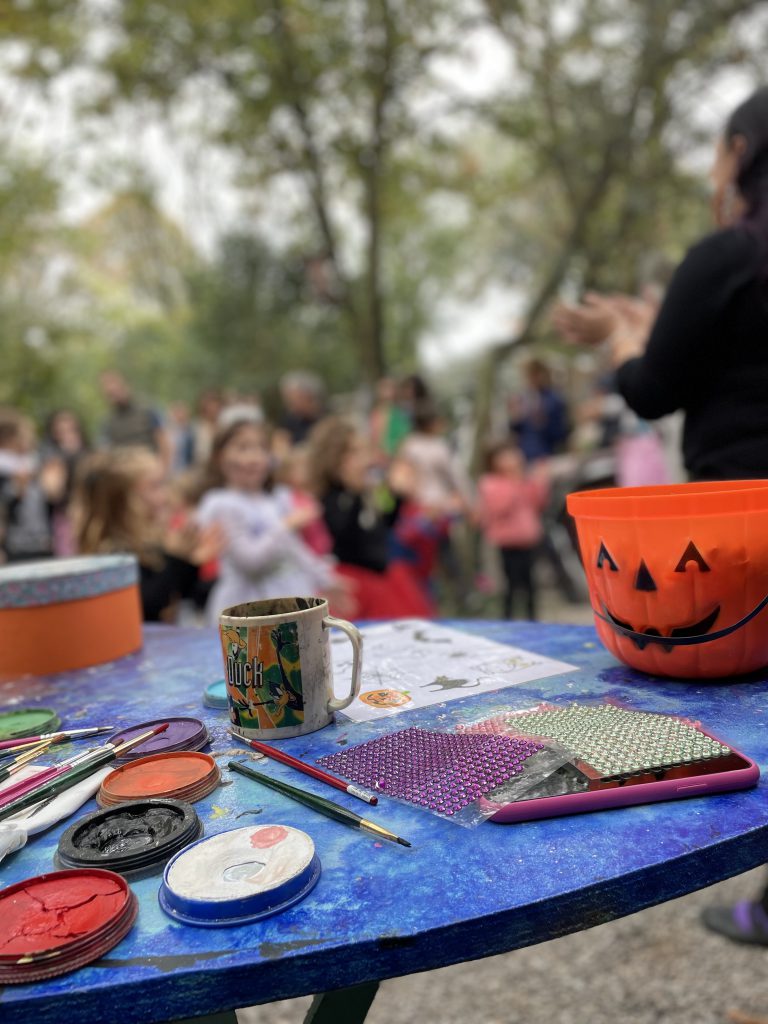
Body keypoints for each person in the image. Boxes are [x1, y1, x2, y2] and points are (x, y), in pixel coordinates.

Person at [559, 85, 768, 942]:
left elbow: (656, 384)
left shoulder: (727, 255)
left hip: (740, 533)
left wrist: (620, 341)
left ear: (743, 153)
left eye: (719, 152)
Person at [195, 418, 338, 626]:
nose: (253, 457)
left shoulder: (277, 498)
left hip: (288, 593)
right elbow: (250, 561)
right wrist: (286, 524)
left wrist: (324, 579)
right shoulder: (222, 504)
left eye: (261, 448)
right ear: (219, 456)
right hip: (249, 606)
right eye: (242, 448)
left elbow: (293, 548)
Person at [71, 447, 222, 622]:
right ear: (125, 499)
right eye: (154, 486)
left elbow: (181, 593)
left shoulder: (149, 543)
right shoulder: (113, 553)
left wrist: (192, 561)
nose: (165, 496)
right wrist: (176, 558)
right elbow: (147, 605)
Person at [305, 416, 434, 619]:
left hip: (383, 575)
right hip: (356, 582)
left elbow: (380, 528)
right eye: (353, 453)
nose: (363, 460)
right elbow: (342, 535)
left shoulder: (364, 492)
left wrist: (397, 497)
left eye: (362, 451)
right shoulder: (331, 497)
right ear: (334, 457)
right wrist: (356, 492)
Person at [476, 439, 549, 620]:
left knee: (530, 584)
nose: (511, 459)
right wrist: (515, 485)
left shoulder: (525, 480)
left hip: (528, 539)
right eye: (504, 456)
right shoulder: (490, 483)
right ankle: (507, 619)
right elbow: (497, 508)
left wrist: (540, 483)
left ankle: (533, 620)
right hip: (507, 542)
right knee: (510, 585)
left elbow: (537, 504)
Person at [99, 370, 171, 466]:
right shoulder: (108, 422)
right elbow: (105, 451)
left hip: (150, 467)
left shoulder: (148, 409)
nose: (114, 393)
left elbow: (164, 443)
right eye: (110, 394)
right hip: (125, 471)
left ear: (126, 385)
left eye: (117, 388)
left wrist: (163, 470)